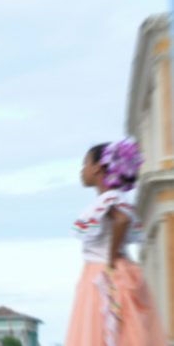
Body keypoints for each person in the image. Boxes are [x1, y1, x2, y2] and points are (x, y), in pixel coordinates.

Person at [65, 139, 165, 346]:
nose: (82, 170)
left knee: (100, 332)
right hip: (117, 268)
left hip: (102, 271)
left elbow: (122, 219)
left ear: (99, 169)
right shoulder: (117, 197)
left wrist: (110, 259)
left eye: (85, 164)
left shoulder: (108, 198)